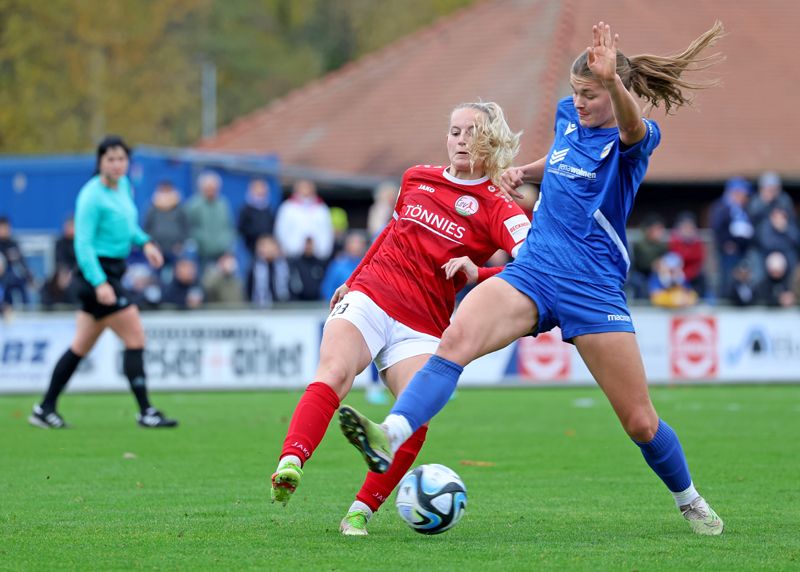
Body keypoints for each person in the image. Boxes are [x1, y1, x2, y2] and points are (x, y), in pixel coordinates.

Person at [339, 21, 726, 536]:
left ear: (615, 92)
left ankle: (689, 499)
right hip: (535, 271)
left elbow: (630, 130)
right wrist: (526, 170)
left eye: (590, 95)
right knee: (455, 340)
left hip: (592, 289)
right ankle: (390, 431)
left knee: (640, 422)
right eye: (576, 93)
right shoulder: (570, 119)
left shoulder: (636, 137)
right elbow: (564, 158)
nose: (579, 104)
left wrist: (612, 84)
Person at [269, 101, 531, 537]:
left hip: (424, 324)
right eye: (454, 130)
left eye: (471, 131)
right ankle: (291, 461)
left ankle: (359, 512)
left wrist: (478, 272)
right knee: (334, 372)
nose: (460, 139)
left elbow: (535, 265)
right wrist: (352, 280)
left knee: (415, 418)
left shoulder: (499, 208)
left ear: (492, 140)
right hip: (373, 294)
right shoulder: (417, 178)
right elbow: (389, 233)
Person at [28, 135, 178, 429]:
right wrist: (100, 282)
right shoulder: (90, 196)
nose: (116, 164)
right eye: (110, 159)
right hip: (96, 274)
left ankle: (45, 408)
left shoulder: (124, 186)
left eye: (121, 158)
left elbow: (127, 226)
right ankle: (146, 411)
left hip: (113, 271)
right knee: (135, 335)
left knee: (80, 346)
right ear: (100, 163)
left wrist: (145, 242)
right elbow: (82, 245)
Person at [710, 177, 754, 300]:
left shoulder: (743, 209)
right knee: (727, 277)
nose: (744, 198)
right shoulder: (721, 207)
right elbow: (717, 228)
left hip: (742, 250)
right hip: (727, 251)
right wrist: (726, 243)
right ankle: (725, 299)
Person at [184, 171, 235, 269]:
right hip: (201, 254)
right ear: (201, 188)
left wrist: (228, 247)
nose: (211, 191)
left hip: (222, 254)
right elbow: (187, 227)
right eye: (208, 188)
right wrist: (199, 240)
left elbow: (229, 227)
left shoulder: (223, 204)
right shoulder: (193, 205)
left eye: (214, 188)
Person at [274, 179, 334, 260]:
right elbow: (281, 231)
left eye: (308, 187)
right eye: (302, 187)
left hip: (317, 256)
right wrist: (287, 249)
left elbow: (327, 232)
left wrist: (322, 251)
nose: (305, 190)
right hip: (292, 255)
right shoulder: (287, 207)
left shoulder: (321, 208)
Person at [668, 211, 706, 298]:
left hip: (692, 273)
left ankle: (700, 300)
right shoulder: (675, 240)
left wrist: (686, 274)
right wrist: (681, 273)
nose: (688, 230)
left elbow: (698, 258)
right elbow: (676, 258)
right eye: (685, 227)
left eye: (690, 227)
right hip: (677, 272)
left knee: (702, 277)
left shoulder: (697, 242)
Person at [246, 235, 291, 307]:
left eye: (269, 246)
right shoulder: (254, 268)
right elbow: (249, 290)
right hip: (261, 310)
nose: (267, 249)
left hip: (283, 309)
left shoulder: (286, 266)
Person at [237, 178, 275, 255]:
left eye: (262, 188)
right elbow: (241, 228)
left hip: (266, 247)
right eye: (257, 188)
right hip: (249, 247)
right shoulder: (245, 209)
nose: (260, 191)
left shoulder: (268, 209)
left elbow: (272, 226)